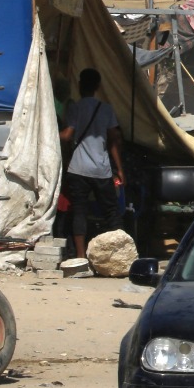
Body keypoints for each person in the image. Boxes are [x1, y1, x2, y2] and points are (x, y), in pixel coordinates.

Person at [59, 68, 125, 260]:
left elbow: (68, 135)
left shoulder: (75, 108)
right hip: (101, 169)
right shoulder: (106, 109)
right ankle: (119, 254)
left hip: (78, 169)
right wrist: (119, 169)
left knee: (79, 211)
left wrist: (50, 132)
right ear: (97, 86)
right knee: (111, 212)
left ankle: (80, 256)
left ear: (80, 86)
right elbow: (114, 140)